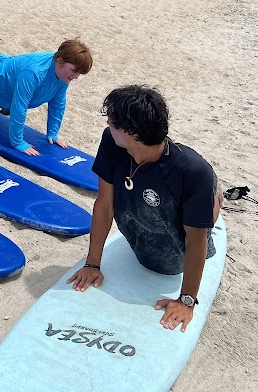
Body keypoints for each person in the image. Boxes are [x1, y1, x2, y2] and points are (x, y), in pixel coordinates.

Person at [66, 85, 223, 333]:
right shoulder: (112, 141)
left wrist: (187, 301)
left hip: (175, 257)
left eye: (114, 121)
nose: (108, 122)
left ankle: (215, 196)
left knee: (204, 191)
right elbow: (105, 203)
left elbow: (196, 241)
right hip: (139, 229)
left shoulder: (192, 171)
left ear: (134, 133)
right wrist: (93, 264)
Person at [0, 39, 93, 155]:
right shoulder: (34, 72)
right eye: (74, 71)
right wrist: (18, 142)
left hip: (0, 86)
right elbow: (19, 106)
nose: (75, 77)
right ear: (59, 60)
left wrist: (53, 133)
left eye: (79, 73)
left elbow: (58, 104)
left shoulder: (63, 76)